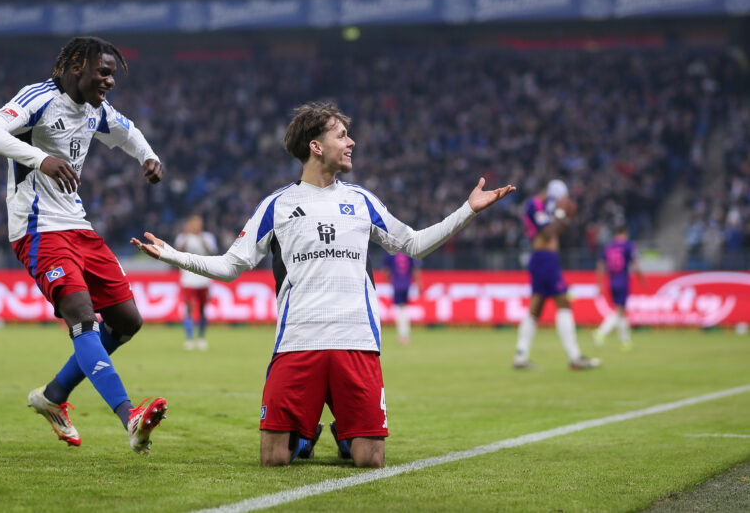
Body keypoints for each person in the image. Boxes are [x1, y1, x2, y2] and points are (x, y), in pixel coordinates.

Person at [131, 101, 515, 467]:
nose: (352, 143)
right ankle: (306, 435)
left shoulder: (362, 200)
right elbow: (233, 265)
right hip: (298, 341)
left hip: (356, 340)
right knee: (274, 457)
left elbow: (412, 244)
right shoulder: (277, 205)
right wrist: (172, 255)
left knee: (370, 459)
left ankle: (345, 437)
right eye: (342, 135)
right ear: (316, 147)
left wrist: (468, 211)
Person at [0, 36, 168, 454]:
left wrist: (148, 157)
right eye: (104, 71)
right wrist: (38, 158)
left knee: (127, 321)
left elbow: (127, 131)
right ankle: (129, 416)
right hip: (38, 229)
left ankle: (54, 395)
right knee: (82, 316)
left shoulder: (94, 109)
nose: (110, 81)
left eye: (113, 73)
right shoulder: (39, 98)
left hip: (78, 227)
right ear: (77, 65)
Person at [513, 179, 600, 370]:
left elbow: (555, 231)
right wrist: (562, 212)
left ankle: (521, 355)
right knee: (563, 303)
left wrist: (566, 217)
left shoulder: (542, 207)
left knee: (536, 307)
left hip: (544, 259)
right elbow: (546, 233)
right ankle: (574, 357)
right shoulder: (535, 205)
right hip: (544, 259)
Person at [593, 224, 644, 350]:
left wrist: (600, 283)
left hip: (611, 281)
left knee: (621, 312)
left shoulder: (608, 247)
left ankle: (625, 342)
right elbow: (634, 264)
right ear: (625, 233)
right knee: (620, 311)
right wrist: (641, 277)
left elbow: (600, 265)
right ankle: (600, 332)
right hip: (622, 280)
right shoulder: (628, 246)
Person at [174, 214, 218, 350]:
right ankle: (189, 338)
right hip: (188, 279)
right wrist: (187, 236)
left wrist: (201, 238)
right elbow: (177, 253)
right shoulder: (182, 237)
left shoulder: (208, 237)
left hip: (204, 279)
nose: (196, 226)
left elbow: (211, 253)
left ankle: (201, 338)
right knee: (188, 308)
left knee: (203, 309)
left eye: (199, 223)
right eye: (194, 223)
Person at [383, 252, 422, 344]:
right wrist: (418, 282)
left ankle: (403, 335)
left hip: (396, 284)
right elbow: (415, 269)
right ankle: (404, 334)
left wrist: (390, 280)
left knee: (400, 310)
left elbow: (385, 271)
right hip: (406, 284)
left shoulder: (390, 252)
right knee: (403, 308)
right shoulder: (408, 252)